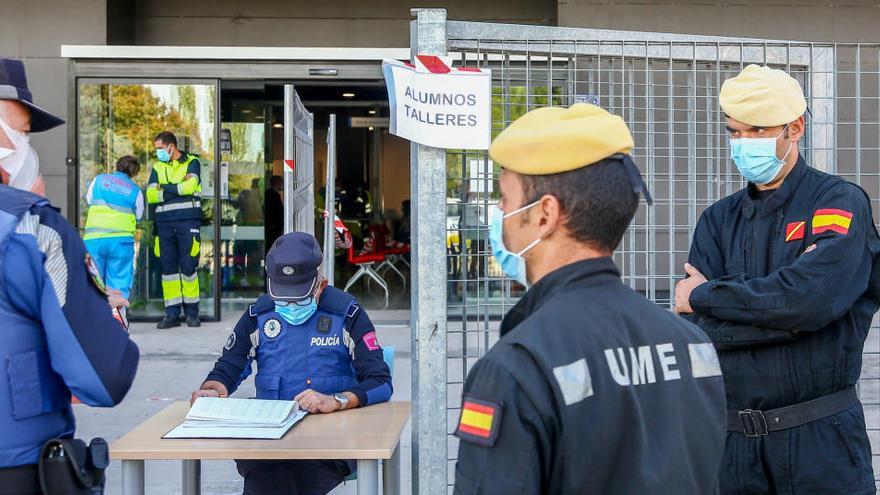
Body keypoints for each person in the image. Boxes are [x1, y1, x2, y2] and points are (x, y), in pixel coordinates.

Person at [452, 104, 727, 494]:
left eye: (504, 197)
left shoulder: (516, 366)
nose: (500, 211)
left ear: (545, 214)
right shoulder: (692, 345)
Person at [674, 65, 879, 494]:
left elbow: (812, 301)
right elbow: (698, 334)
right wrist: (786, 314)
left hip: (820, 442)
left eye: (758, 131)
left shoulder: (837, 202)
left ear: (796, 128)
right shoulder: (717, 220)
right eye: (735, 132)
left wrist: (707, 296)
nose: (744, 144)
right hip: (731, 447)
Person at [0, 58, 139, 493]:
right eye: (21, 133)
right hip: (17, 469)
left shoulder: (97, 184)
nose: (27, 147)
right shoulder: (34, 230)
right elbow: (102, 378)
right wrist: (100, 314)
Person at [190, 232, 392, 495]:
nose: (289, 306)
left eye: (299, 299)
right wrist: (213, 390)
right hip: (269, 442)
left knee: (285, 477)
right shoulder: (259, 315)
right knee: (264, 468)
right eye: (282, 299)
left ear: (321, 285)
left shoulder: (347, 315)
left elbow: (380, 383)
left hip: (329, 445)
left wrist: (337, 400)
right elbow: (229, 366)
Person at [147, 131, 202, 328]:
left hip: (188, 221)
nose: (158, 152)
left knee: (189, 268)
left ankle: (192, 313)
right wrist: (177, 188)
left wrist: (165, 187)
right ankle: (171, 314)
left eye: (160, 148)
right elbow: (151, 196)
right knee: (168, 270)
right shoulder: (157, 167)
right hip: (164, 224)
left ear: (171, 146)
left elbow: (190, 188)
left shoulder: (192, 162)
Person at [83, 155, 144, 300]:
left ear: (117, 166)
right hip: (121, 243)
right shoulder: (136, 191)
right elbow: (139, 215)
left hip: (94, 240)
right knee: (118, 286)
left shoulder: (99, 180)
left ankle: (94, 319)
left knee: (92, 283)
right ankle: (117, 320)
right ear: (134, 173)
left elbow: (89, 199)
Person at [264, 175, 284, 251]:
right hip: (273, 228)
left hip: (275, 227)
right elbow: (270, 211)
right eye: (281, 182)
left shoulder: (273, 194)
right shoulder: (271, 194)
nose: (282, 185)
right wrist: (273, 225)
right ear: (276, 183)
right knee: (271, 246)